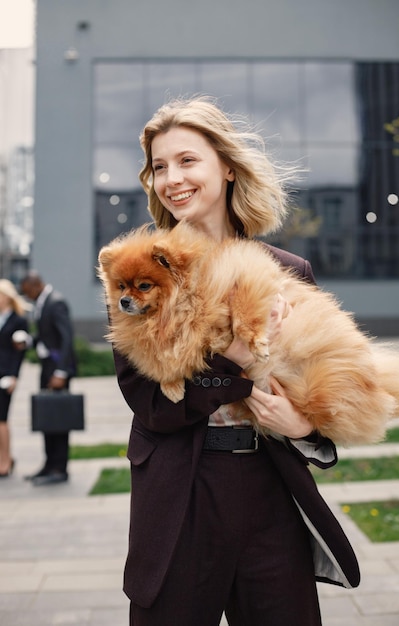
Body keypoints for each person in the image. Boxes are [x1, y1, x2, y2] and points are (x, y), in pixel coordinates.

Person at [112, 97, 360, 626]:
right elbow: (152, 406)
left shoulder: (288, 270)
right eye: (159, 167)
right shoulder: (139, 270)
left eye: (187, 160)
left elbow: (327, 377)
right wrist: (232, 361)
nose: (172, 178)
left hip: (271, 494)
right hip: (181, 494)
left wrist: (304, 427)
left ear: (226, 167)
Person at [19, 271, 77, 485]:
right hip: (47, 368)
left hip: (56, 370)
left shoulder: (56, 302)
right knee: (46, 415)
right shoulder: (43, 303)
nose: (27, 296)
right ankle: (48, 464)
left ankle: (59, 468)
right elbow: (46, 336)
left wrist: (61, 372)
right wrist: (28, 342)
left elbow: (66, 339)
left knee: (59, 418)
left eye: (27, 292)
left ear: (35, 285)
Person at [0, 279, 30, 477]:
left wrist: (14, 376)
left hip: (5, 376)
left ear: (7, 297)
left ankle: (5, 461)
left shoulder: (19, 320)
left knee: (1, 419)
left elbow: (19, 353)